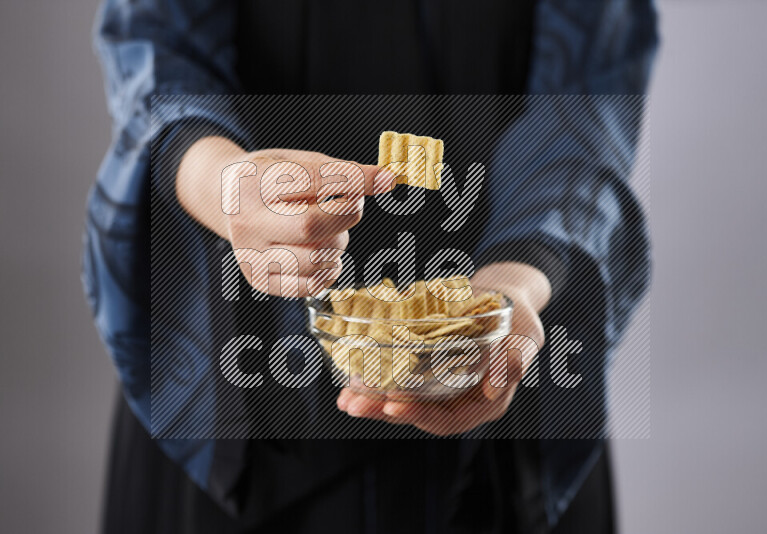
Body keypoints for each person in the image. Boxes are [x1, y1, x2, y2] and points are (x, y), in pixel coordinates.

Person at [84, 1, 657, 532]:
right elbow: (157, 54)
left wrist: (513, 286)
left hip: (504, 404)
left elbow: (588, 97)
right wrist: (226, 185)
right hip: (230, 395)